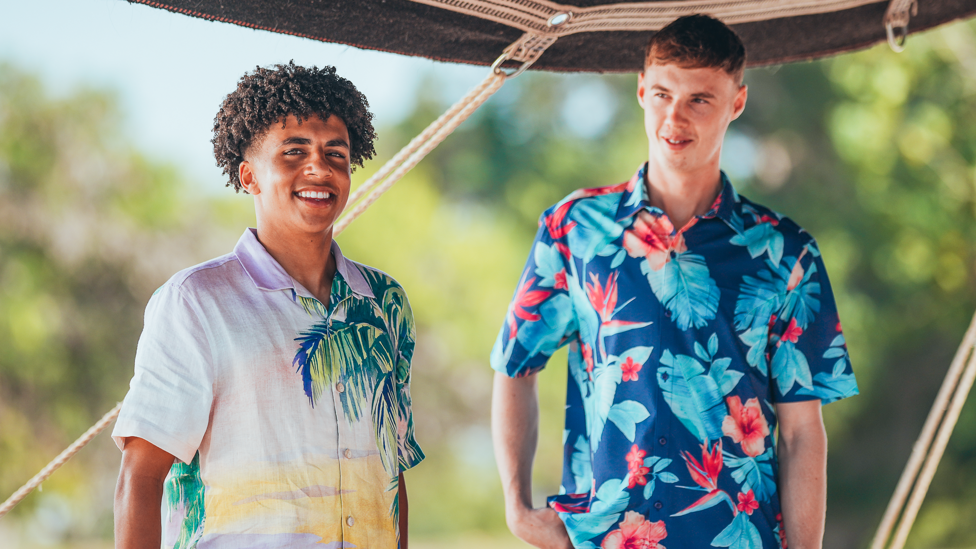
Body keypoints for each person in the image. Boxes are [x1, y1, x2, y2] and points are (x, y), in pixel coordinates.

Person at [490, 14, 858, 549]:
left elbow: (802, 433)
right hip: (606, 538)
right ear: (641, 91)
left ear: (737, 103)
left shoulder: (785, 252)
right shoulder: (575, 228)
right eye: (662, 94)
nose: (674, 117)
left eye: (699, 100)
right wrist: (517, 510)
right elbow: (514, 364)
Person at [112, 62, 424, 549]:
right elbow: (140, 475)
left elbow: (391, 473)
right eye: (294, 151)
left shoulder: (385, 303)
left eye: (334, 153)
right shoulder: (196, 302)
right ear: (249, 175)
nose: (318, 168)